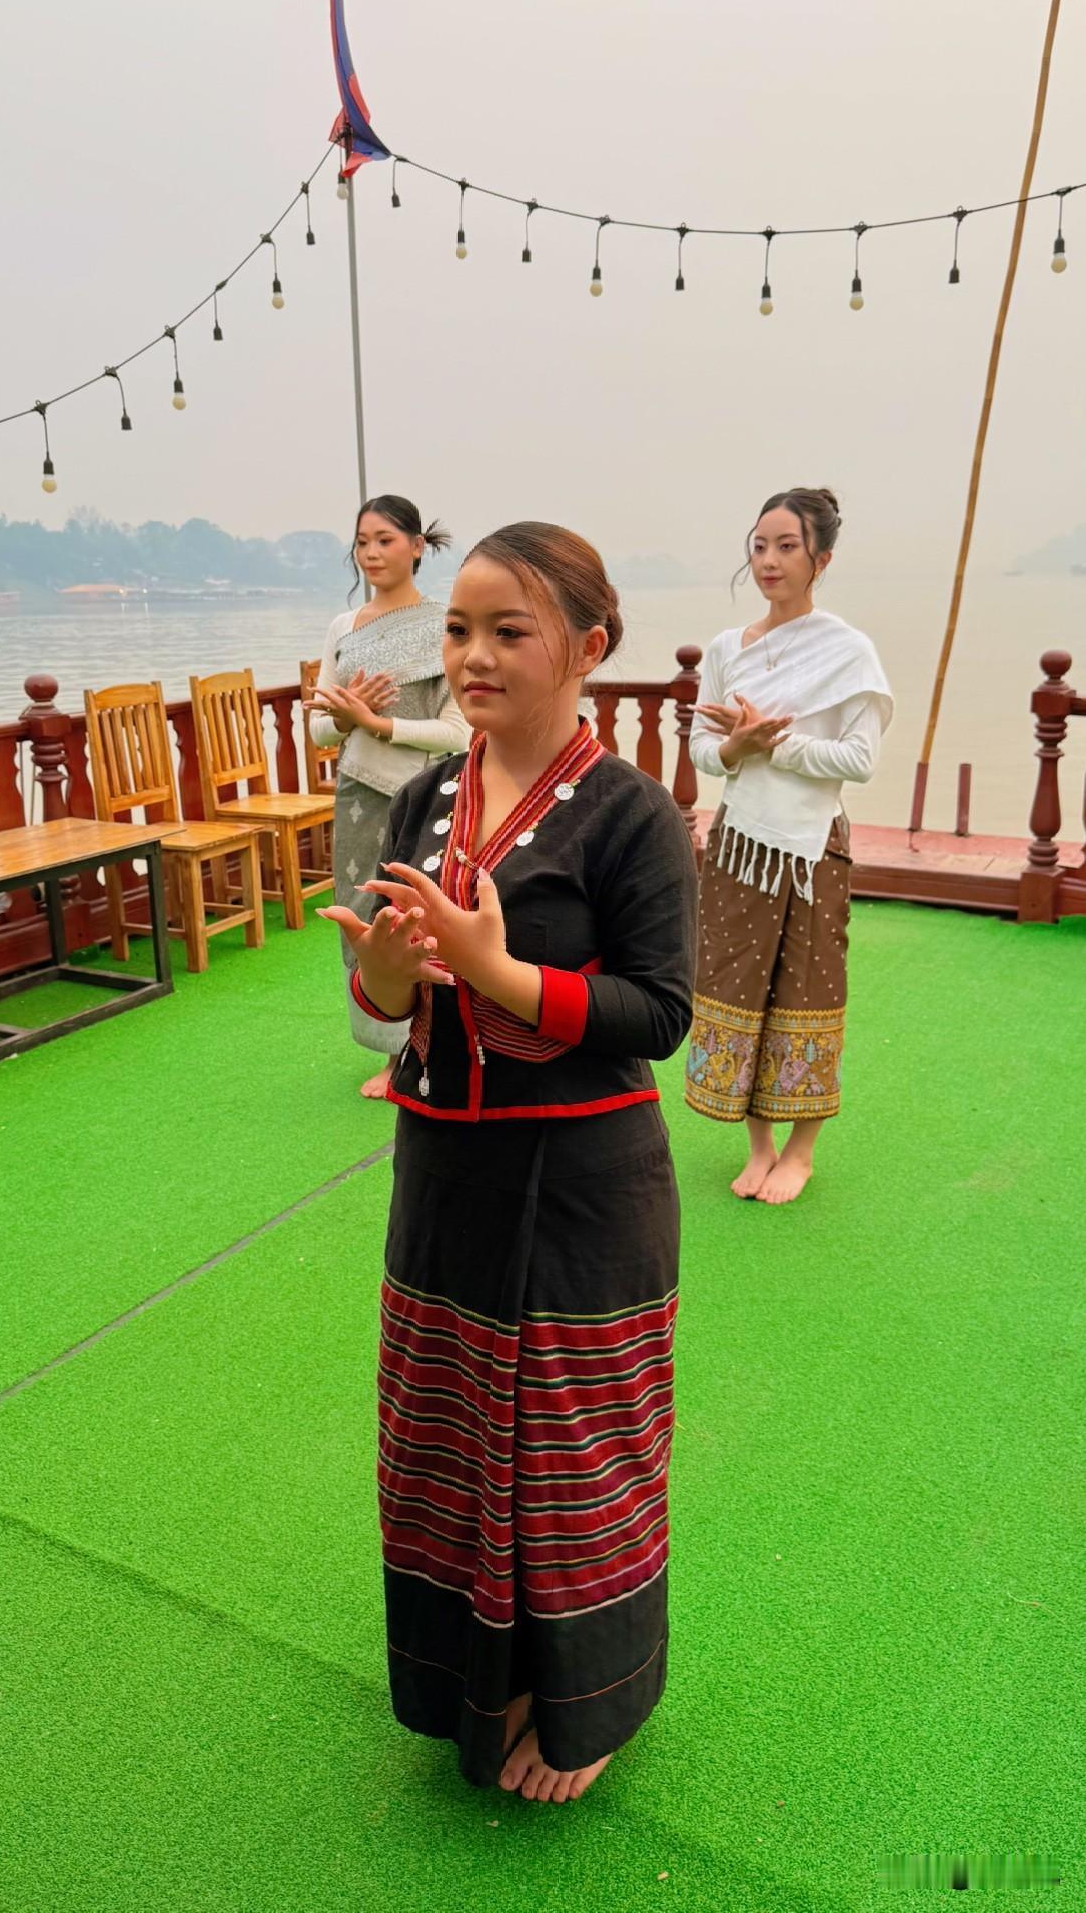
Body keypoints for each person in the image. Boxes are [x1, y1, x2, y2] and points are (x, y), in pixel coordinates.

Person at [319, 522, 697, 1802]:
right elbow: (389, 997)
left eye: (507, 630)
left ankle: (590, 1703)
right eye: (459, 629)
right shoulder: (428, 795)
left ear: (588, 646)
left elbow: (659, 1011)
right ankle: (476, 1684)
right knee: (445, 1437)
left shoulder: (634, 811)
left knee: (574, 1449)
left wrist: (497, 969)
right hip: (442, 1172)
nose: (472, 654)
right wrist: (385, 975)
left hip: (584, 1181)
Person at [684, 487, 892, 1205]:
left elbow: (859, 759)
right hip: (738, 843)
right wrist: (736, 747)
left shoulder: (848, 651)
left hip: (809, 849)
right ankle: (760, 1146)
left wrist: (775, 745)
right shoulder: (725, 649)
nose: (768, 560)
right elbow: (703, 751)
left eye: (786, 547)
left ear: (820, 560)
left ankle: (800, 1153)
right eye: (759, 546)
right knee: (738, 984)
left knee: (808, 989)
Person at [306, 496, 470, 1099]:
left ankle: (430, 1044)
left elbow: (458, 731)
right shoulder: (344, 628)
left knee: (419, 918)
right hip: (358, 791)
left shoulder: (446, 624)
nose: (371, 553)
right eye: (362, 542)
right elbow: (319, 730)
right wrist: (348, 718)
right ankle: (390, 1048)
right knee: (362, 916)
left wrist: (378, 723)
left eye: (385, 540)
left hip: (427, 793)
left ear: (417, 546)